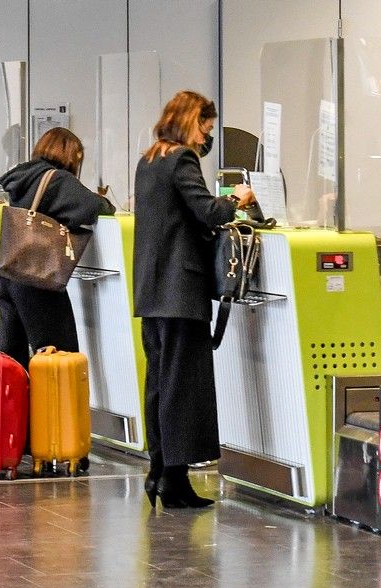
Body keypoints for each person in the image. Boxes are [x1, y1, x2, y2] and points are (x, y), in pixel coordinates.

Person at [133, 90, 255, 509]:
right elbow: (207, 212)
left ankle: (157, 470)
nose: (208, 134)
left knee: (159, 382)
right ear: (192, 121)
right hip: (179, 290)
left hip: (153, 289)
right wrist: (238, 199)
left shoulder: (148, 159)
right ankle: (175, 480)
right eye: (206, 125)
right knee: (182, 385)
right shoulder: (181, 159)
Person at [0, 127, 114, 370]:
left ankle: (10, 407)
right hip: (37, 278)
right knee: (59, 357)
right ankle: (54, 409)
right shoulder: (56, 179)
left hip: (8, 275)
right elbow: (92, 207)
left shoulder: (24, 176)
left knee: (10, 360)